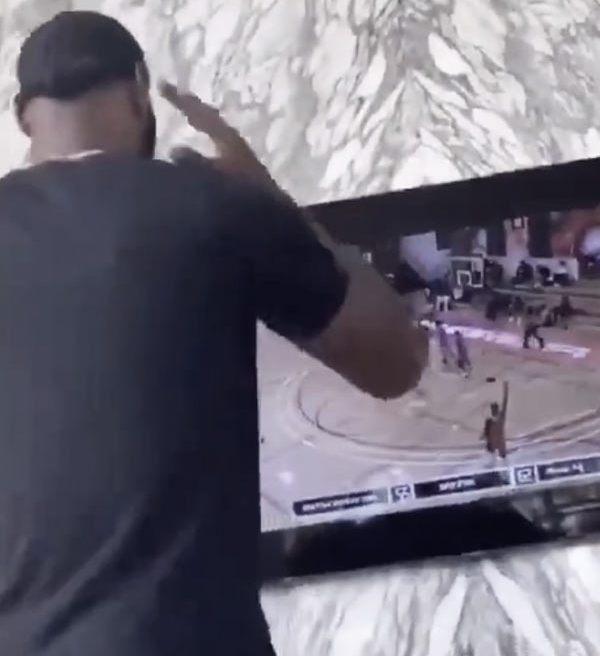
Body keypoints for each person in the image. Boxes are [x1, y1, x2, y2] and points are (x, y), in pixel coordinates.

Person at [0, 11, 429, 656]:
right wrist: (270, 195)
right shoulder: (211, 203)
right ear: (140, 89)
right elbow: (396, 361)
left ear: (21, 115)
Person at [481, 382, 509, 461]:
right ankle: (505, 387)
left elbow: (491, 437)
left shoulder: (496, 446)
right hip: (498, 423)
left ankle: (505, 387)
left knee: (504, 404)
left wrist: (485, 434)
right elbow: (492, 437)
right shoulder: (498, 446)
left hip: (497, 423)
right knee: (504, 404)